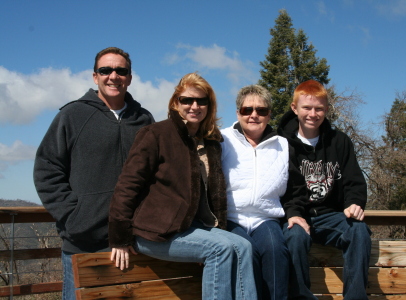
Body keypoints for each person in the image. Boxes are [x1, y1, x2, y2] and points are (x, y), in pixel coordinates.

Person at [108, 72, 257, 300]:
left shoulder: (211, 141)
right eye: (187, 100)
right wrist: (119, 238)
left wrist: (214, 234)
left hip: (193, 229)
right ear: (176, 103)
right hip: (155, 233)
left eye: (201, 101)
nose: (194, 106)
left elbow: (213, 196)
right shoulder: (156, 134)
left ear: (209, 105)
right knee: (221, 249)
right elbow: (127, 186)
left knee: (244, 246)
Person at [33, 47, 155, 300]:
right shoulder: (72, 115)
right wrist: (75, 216)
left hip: (133, 241)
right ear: (95, 76)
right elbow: (47, 169)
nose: (113, 76)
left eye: (121, 71)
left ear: (130, 78)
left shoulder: (144, 120)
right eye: (106, 70)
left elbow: (156, 174)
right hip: (84, 241)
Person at [277, 79, 372, 300]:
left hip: (331, 217)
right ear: (294, 108)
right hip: (296, 215)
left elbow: (354, 181)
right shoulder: (281, 144)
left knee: (359, 231)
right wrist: (293, 214)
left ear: (326, 109)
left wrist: (354, 204)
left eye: (319, 108)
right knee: (295, 238)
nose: (313, 113)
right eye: (307, 108)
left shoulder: (339, 142)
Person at [221, 85, 290, 300]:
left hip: (265, 217)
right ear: (237, 113)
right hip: (231, 216)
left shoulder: (283, 144)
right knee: (245, 250)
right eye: (247, 110)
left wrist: (296, 212)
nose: (254, 115)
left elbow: (295, 186)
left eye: (261, 110)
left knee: (276, 250)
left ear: (269, 114)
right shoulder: (222, 140)